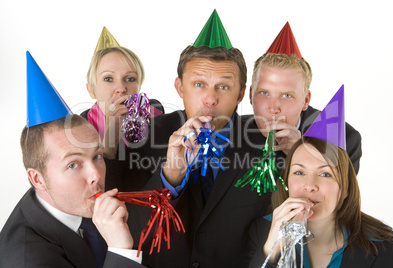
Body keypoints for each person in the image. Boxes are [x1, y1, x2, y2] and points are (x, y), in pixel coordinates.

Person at [109, 10, 272, 267]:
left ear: (241, 93)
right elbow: (129, 227)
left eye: (224, 86)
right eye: (199, 84)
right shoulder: (145, 137)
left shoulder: (265, 141)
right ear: (179, 87)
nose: (210, 99)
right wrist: (170, 176)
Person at [0, 52, 145, 267]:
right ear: (37, 179)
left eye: (96, 156)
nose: (95, 174)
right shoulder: (27, 259)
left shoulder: (74, 201)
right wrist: (121, 251)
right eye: (73, 164)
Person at [248, 87, 393, 267]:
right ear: (287, 181)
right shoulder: (261, 233)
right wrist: (273, 249)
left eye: (325, 174)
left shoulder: (391, 249)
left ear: (345, 188)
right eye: (299, 172)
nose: (310, 185)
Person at [243, 22, 362, 174]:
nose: (273, 108)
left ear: (306, 100)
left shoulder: (343, 137)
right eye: (264, 93)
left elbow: (342, 196)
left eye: (286, 95)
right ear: (250, 95)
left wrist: (299, 152)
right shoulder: (235, 132)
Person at [81, 27, 163, 161]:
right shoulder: (79, 132)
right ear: (91, 90)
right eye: (108, 79)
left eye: (130, 79)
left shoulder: (157, 119)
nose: (121, 88)